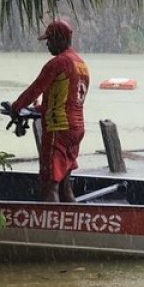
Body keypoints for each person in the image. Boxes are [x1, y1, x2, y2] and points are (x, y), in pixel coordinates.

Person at [11, 19, 90, 202]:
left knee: (50, 183)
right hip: (76, 131)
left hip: (58, 130)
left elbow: (35, 89)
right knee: (64, 184)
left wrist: (17, 107)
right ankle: (73, 225)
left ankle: (51, 227)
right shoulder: (81, 64)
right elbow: (67, 101)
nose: (47, 44)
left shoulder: (58, 63)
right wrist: (36, 110)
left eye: (49, 40)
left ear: (60, 39)